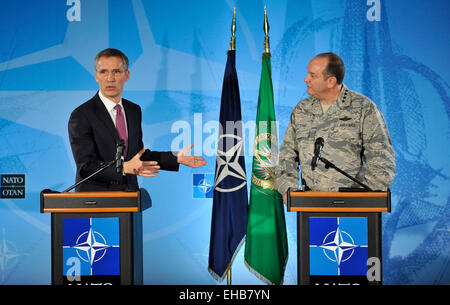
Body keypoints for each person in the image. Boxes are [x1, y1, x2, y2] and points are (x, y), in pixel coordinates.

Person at [68, 48, 206, 192]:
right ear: (96, 76)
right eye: (104, 72)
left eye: (116, 72)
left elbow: (137, 155)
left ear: (126, 75)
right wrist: (124, 168)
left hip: (129, 196)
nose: (110, 78)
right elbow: (86, 168)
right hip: (95, 200)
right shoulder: (81, 115)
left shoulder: (133, 110)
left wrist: (176, 157)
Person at [275, 52, 395, 202]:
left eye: (313, 75)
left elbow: (382, 158)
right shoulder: (302, 110)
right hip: (310, 205)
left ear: (331, 81)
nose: (306, 79)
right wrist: (289, 188)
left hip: (354, 208)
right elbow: (287, 155)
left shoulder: (363, 108)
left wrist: (366, 196)